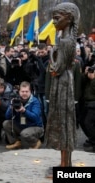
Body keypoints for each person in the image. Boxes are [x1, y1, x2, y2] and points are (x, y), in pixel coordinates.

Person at [44, 2, 80, 168]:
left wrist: (51, 53)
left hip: (63, 83)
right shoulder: (66, 39)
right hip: (66, 80)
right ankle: (65, 163)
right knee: (64, 122)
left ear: (69, 18)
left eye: (57, 18)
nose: (53, 22)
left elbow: (55, 70)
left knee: (64, 122)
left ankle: (65, 166)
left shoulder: (65, 41)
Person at [3, 81, 43, 149]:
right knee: (6, 123)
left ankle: (36, 142)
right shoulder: (15, 100)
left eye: (26, 91)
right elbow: (7, 117)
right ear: (19, 92)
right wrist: (11, 109)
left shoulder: (34, 101)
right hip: (21, 125)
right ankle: (16, 142)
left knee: (24, 133)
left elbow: (35, 118)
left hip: (35, 126)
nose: (24, 93)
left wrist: (24, 111)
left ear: (30, 91)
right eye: (22, 91)